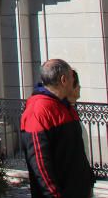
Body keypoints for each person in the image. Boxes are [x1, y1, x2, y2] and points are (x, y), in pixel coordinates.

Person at [20, 59, 95, 198]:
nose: (75, 82)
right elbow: (40, 165)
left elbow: (77, 152)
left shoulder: (65, 106)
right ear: (64, 80)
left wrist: (88, 180)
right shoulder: (38, 111)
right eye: (72, 78)